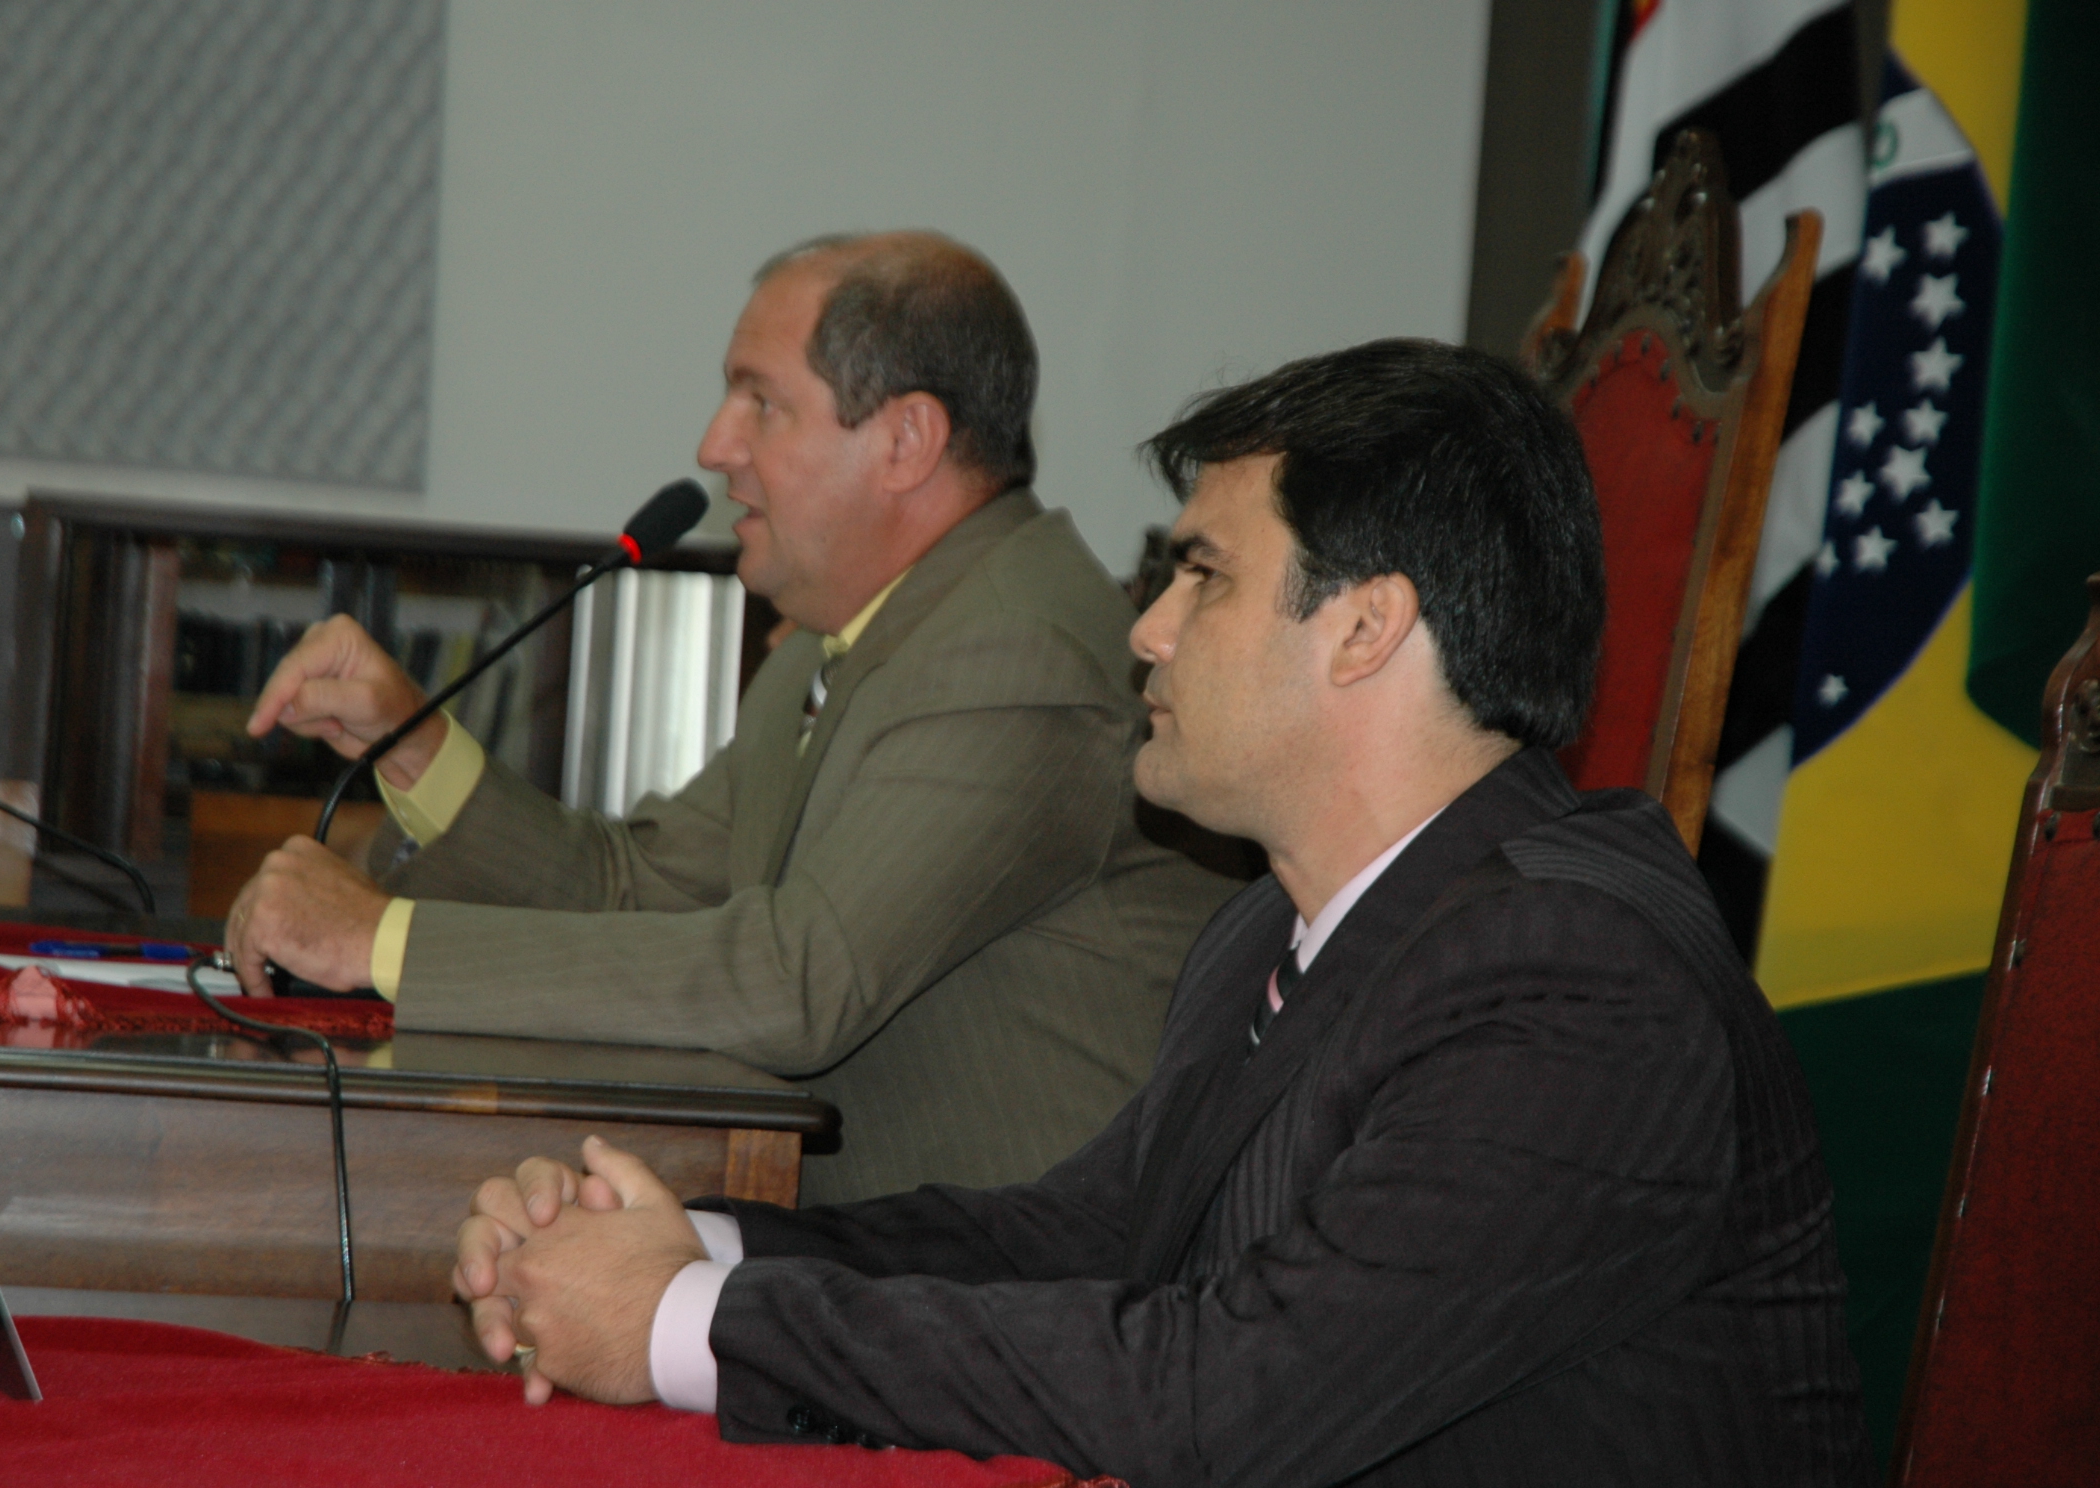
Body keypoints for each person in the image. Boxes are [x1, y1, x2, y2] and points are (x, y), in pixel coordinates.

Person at [451, 339, 1874, 1485]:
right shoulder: (1278, 923)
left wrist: (687, 1325)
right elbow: (1071, 1240)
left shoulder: (1578, 980)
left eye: (1202, 575)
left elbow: (1226, 1401)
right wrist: (679, 1248)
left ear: (1366, 627)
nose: (1146, 628)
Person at [223, 231, 1236, 1204]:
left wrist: (382, 942)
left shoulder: (1016, 651)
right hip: (856, 1252)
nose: (716, 447)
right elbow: (635, 888)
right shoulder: (833, 645)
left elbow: (794, 981)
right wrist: (416, 750)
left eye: (762, 402)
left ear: (905, 441)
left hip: (1017, 1288)